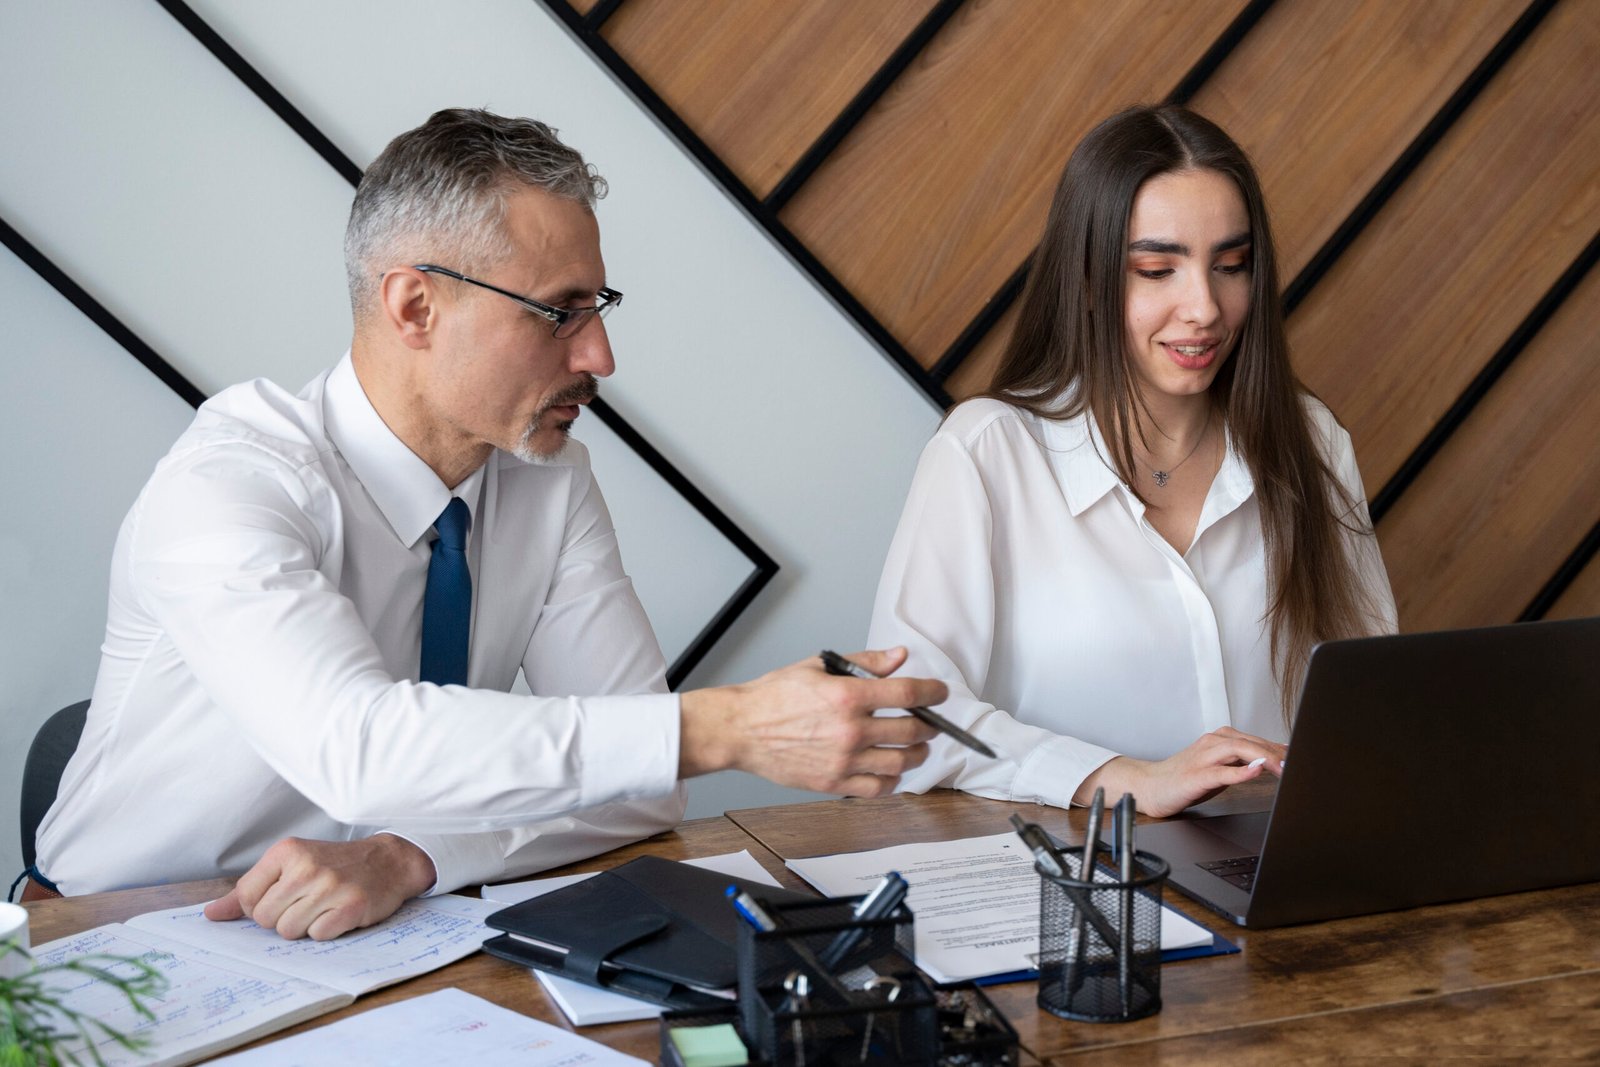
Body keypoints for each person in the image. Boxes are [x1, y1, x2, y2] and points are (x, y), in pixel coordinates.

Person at [27, 109, 943, 938]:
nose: (601, 355)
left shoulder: (550, 479)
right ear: (415, 306)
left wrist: (412, 854)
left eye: (599, 307)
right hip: (112, 943)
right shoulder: (229, 485)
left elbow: (635, 785)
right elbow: (357, 746)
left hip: (370, 939)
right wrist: (727, 725)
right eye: (559, 312)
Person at [867, 105, 1396, 818]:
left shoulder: (1312, 441)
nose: (1204, 307)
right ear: (1086, 281)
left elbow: (1375, 696)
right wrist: (1124, 778)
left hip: (1282, 882)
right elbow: (909, 722)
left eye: (1231, 266)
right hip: (1071, 894)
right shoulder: (989, 453)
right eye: (1157, 269)